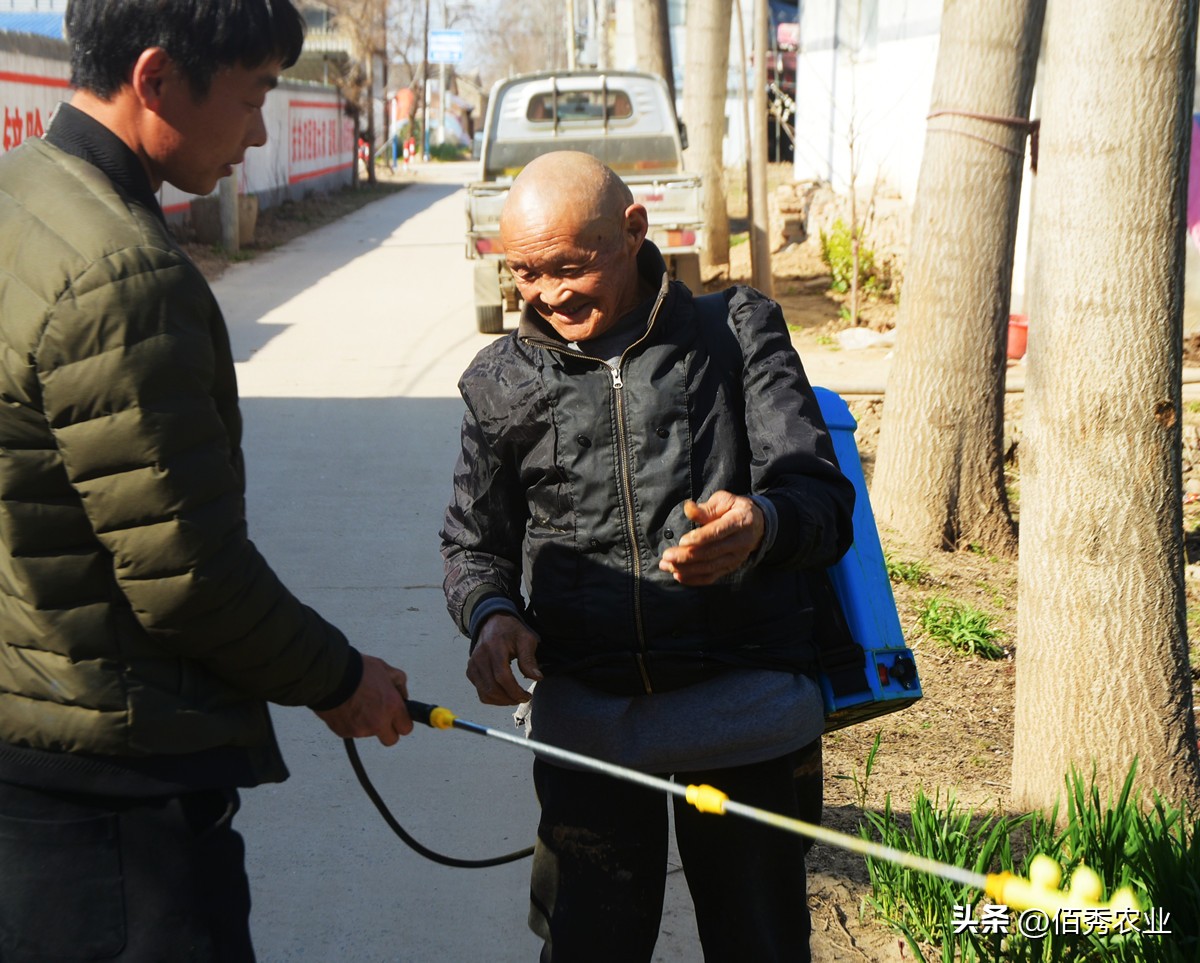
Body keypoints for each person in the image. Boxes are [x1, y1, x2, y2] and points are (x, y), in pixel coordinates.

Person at [0, 2, 413, 960]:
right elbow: (186, 573)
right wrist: (341, 678)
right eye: (253, 94)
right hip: (110, 803)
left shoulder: (20, 195)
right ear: (154, 79)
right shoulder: (121, 274)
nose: (261, 131)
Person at [440, 150, 856, 962]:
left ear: (633, 231)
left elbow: (822, 502)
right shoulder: (498, 381)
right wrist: (490, 616)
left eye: (569, 266)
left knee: (761, 945)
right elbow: (473, 543)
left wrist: (761, 523)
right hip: (590, 727)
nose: (549, 293)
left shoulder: (740, 330)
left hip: (747, 711)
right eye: (526, 273)